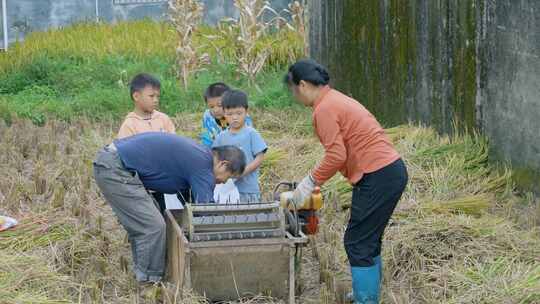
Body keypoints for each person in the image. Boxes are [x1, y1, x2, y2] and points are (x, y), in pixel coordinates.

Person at [285, 59, 408, 303]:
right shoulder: (335, 99)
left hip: (378, 174)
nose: (294, 96)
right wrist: (317, 181)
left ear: (302, 85)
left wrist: (309, 182)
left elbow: (336, 155)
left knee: (357, 242)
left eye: (293, 90)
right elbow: (341, 154)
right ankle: (368, 293)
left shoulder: (324, 109)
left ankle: (366, 299)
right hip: (388, 171)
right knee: (367, 238)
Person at [93, 132, 246, 285]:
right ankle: (149, 284)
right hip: (115, 168)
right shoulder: (203, 165)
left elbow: (189, 201)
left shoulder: (200, 157)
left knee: (149, 222)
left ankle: (143, 272)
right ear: (223, 164)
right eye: (230, 176)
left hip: (115, 162)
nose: (225, 182)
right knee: (153, 227)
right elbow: (204, 210)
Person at [212, 89, 267, 203]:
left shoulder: (251, 133)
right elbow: (214, 158)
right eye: (230, 114)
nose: (234, 117)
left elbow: (260, 157)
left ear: (246, 112)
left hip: (248, 189)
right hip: (226, 189)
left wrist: (243, 171)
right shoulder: (221, 137)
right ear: (224, 113)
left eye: (239, 113)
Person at [118, 73, 175, 139]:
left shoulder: (164, 119)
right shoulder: (129, 125)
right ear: (136, 96)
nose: (156, 100)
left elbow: (173, 144)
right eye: (151, 96)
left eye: (158, 96)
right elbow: (126, 148)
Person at [200, 82, 253, 147]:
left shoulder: (242, 117)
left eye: (219, 105)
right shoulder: (208, 117)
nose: (215, 110)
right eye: (211, 107)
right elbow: (206, 139)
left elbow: (248, 138)